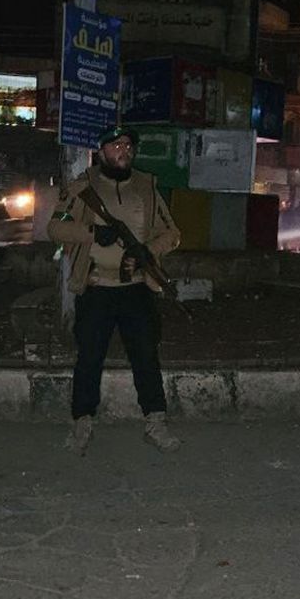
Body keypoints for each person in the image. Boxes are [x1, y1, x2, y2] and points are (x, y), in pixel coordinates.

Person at [47, 126, 183, 455]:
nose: (124, 150)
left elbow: (172, 233)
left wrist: (149, 250)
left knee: (146, 356)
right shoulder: (81, 187)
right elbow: (55, 227)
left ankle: (155, 421)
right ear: (102, 150)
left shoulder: (147, 187)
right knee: (89, 358)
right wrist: (92, 232)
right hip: (96, 287)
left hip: (136, 288)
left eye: (128, 145)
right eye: (116, 145)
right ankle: (82, 422)